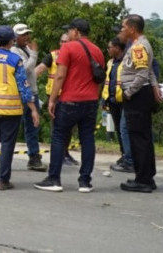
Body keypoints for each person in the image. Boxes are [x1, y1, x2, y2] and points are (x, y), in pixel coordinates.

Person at [34, 18, 105, 193]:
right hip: (90, 101)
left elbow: (60, 76)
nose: (69, 34)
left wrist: (52, 99)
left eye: (70, 31)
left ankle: (54, 179)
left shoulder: (68, 48)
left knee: (59, 136)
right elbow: (100, 79)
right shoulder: (98, 51)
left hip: (70, 100)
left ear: (76, 31)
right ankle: (85, 181)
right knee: (87, 139)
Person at [0, 26, 40, 190]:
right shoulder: (14, 59)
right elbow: (23, 86)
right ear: (11, 40)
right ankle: (2, 180)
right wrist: (33, 108)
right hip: (10, 109)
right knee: (6, 144)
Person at [119, 14, 162, 193]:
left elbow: (142, 73)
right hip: (141, 94)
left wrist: (128, 93)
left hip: (137, 96)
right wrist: (154, 86)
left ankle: (143, 180)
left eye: (123, 27)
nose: (122, 30)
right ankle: (147, 177)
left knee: (138, 138)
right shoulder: (139, 45)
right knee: (142, 137)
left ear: (132, 29)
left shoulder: (138, 47)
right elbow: (149, 70)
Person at [35, 33, 79, 166]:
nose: (63, 44)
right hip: (55, 96)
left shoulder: (75, 55)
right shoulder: (52, 56)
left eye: (66, 42)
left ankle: (65, 153)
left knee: (69, 127)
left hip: (70, 95)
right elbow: (39, 69)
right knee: (58, 127)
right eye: (61, 41)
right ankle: (59, 156)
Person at [11, 23, 47, 171]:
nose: (26, 37)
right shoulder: (13, 51)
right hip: (20, 94)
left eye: (27, 34)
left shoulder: (26, 49)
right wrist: (34, 54)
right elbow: (25, 70)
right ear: (14, 37)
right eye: (22, 34)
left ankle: (33, 156)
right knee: (13, 127)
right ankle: (5, 157)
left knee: (33, 126)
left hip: (32, 91)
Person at [101, 37, 134, 173]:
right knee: (119, 131)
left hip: (124, 99)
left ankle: (129, 158)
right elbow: (107, 82)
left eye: (110, 47)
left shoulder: (126, 62)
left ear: (117, 48)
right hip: (112, 100)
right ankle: (124, 155)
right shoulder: (110, 62)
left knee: (125, 129)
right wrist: (104, 99)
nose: (108, 50)